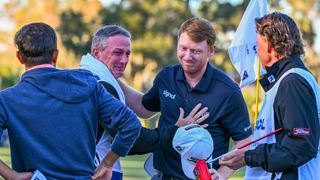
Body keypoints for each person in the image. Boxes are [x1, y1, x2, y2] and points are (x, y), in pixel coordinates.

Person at [0, 22, 141, 179]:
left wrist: (11, 175)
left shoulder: (7, 99)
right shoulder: (88, 85)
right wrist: (107, 163)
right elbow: (131, 124)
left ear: (20, 57)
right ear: (55, 55)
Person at [118, 17, 253, 179]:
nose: (187, 56)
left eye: (196, 51)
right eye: (183, 48)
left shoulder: (227, 91)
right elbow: (143, 108)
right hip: (162, 175)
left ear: (211, 50)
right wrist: (113, 78)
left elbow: (245, 144)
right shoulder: (167, 77)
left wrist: (221, 174)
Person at [80, 25, 210, 180]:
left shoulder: (88, 77)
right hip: (98, 172)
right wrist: (176, 131)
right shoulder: (102, 86)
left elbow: (143, 108)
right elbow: (132, 138)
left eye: (128, 53)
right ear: (96, 53)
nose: (124, 60)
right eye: (117, 53)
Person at [219, 12, 320, 179]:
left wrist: (248, 157)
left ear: (267, 43)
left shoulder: (292, 81)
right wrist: (247, 154)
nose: (257, 52)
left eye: (257, 43)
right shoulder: (283, 80)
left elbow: (300, 146)